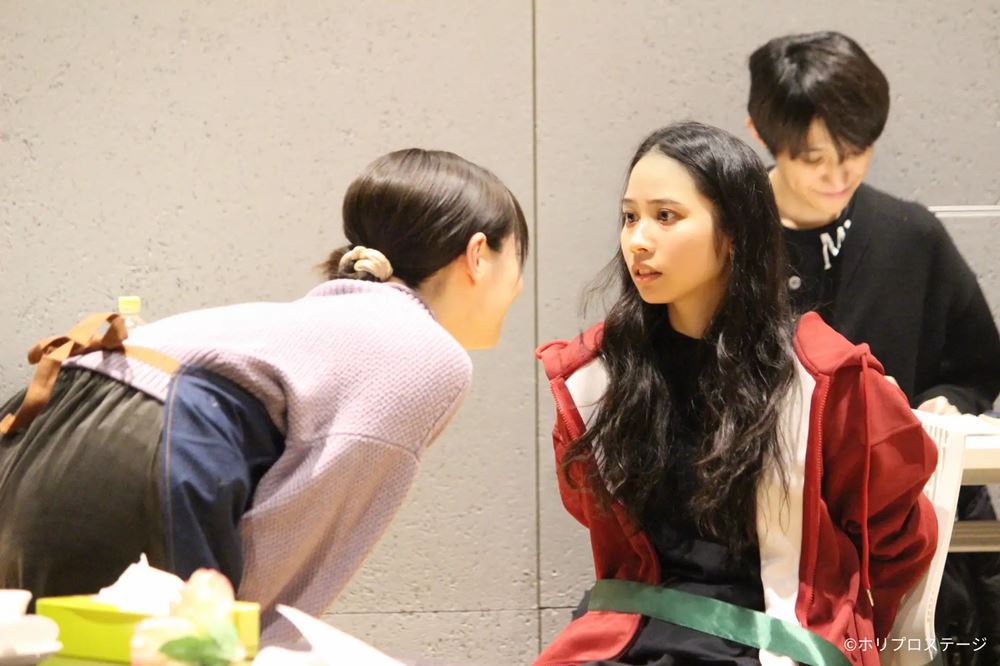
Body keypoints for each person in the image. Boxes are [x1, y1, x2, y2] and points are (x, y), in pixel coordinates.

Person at [0, 148, 528, 644]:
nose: (520, 287)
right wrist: (243, 645)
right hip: (148, 439)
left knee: (68, 650)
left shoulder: (342, 319)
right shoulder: (424, 350)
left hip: (45, 421)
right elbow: (302, 536)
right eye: (519, 259)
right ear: (478, 256)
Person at [535, 122, 936, 665]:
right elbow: (597, 516)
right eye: (630, 217)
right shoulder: (599, 375)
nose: (638, 240)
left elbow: (899, 537)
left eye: (666, 216)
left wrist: (856, 638)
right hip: (630, 632)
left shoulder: (822, 378)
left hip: (779, 638)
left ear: (734, 234)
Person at [746, 32, 1000, 662]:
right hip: (761, 534)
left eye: (856, 151)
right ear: (761, 135)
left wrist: (945, 399)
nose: (839, 176)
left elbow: (977, 364)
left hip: (903, 528)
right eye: (813, 158)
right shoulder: (729, 239)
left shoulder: (908, 235)